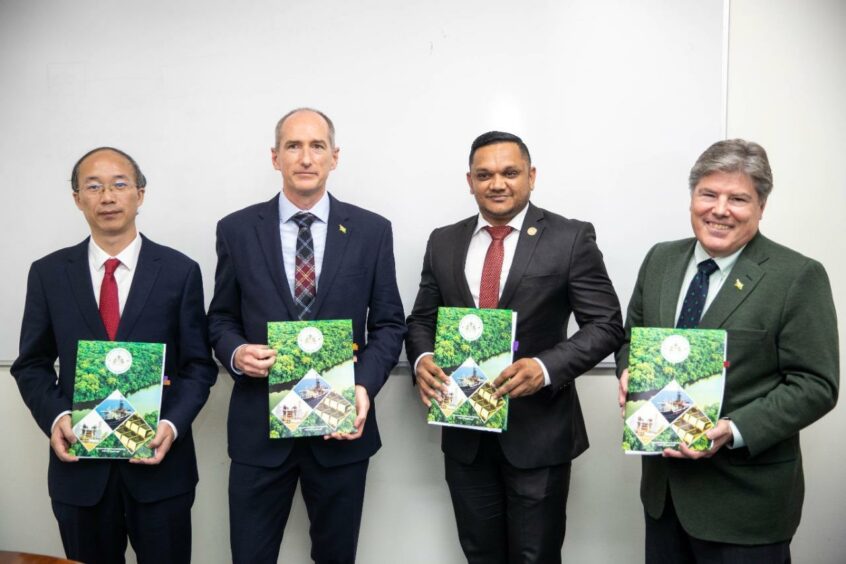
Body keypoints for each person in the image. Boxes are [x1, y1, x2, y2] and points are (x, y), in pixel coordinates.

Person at [615, 139, 839, 563]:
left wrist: (733, 430)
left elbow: (816, 384)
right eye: (708, 194)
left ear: (761, 206)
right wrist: (628, 371)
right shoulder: (660, 260)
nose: (720, 209)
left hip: (746, 507)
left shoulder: (797, 276)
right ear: (692, 198)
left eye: (738, 198)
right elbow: (632, 339)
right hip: (664, 498)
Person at [405, 131, 624, 563]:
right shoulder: (443, 241)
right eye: (484, 174)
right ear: (469, 180)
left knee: (534, 557)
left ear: (532, 176)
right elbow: (421, 320)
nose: (497, 183)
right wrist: (422, 358)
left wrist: (543, 368)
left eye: (510, 172)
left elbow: (606, 325)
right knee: (479, 554)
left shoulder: (570, 238)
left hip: (538, 433)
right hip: (466, 434)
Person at [208, 108, 405, 564]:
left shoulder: (372, 231)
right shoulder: (236, 230)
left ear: (334, 157)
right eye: (293, 146)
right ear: (275, 157)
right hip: (259, 430)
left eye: (317, 146)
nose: (305, 157)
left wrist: (363, 385)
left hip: (340, 431)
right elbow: (219, 318)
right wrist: (237, 353)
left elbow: (390, 323)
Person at [11, 147, 218, 564]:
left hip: (162, 473)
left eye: (119, 184)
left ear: (140, 195)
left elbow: (198, 366)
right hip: (80, 474)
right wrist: (56, 418)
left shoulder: (180, 271)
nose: (107, 196)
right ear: (77, 198)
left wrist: (172, 425)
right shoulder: (49, 274)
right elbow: (31, 364)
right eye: (94, 186)